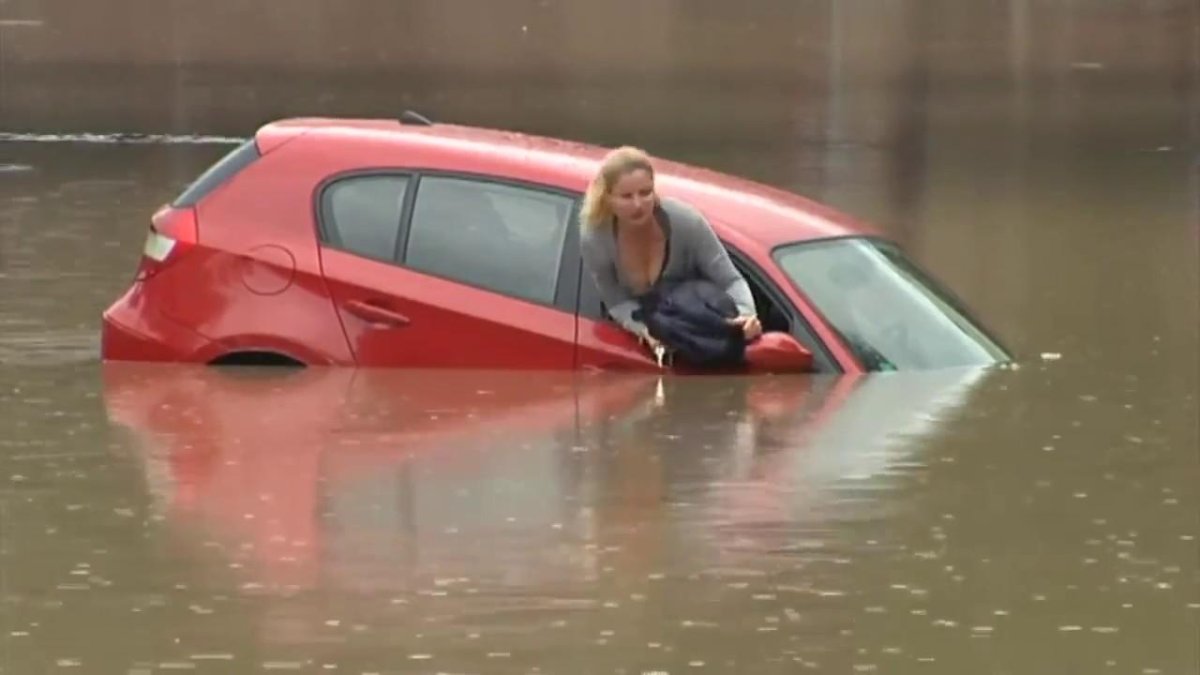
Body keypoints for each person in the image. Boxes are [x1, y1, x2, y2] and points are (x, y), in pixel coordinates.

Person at [579, 146, 762, 351]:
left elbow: (730, 279)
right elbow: (616, 302)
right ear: (608, 198)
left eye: (645, 193)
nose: (638, 204)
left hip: (700, 325)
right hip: (633, 345)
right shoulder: (596, 238)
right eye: (626, 196)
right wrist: (644, 330)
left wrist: (745, 316)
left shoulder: (686, 223)